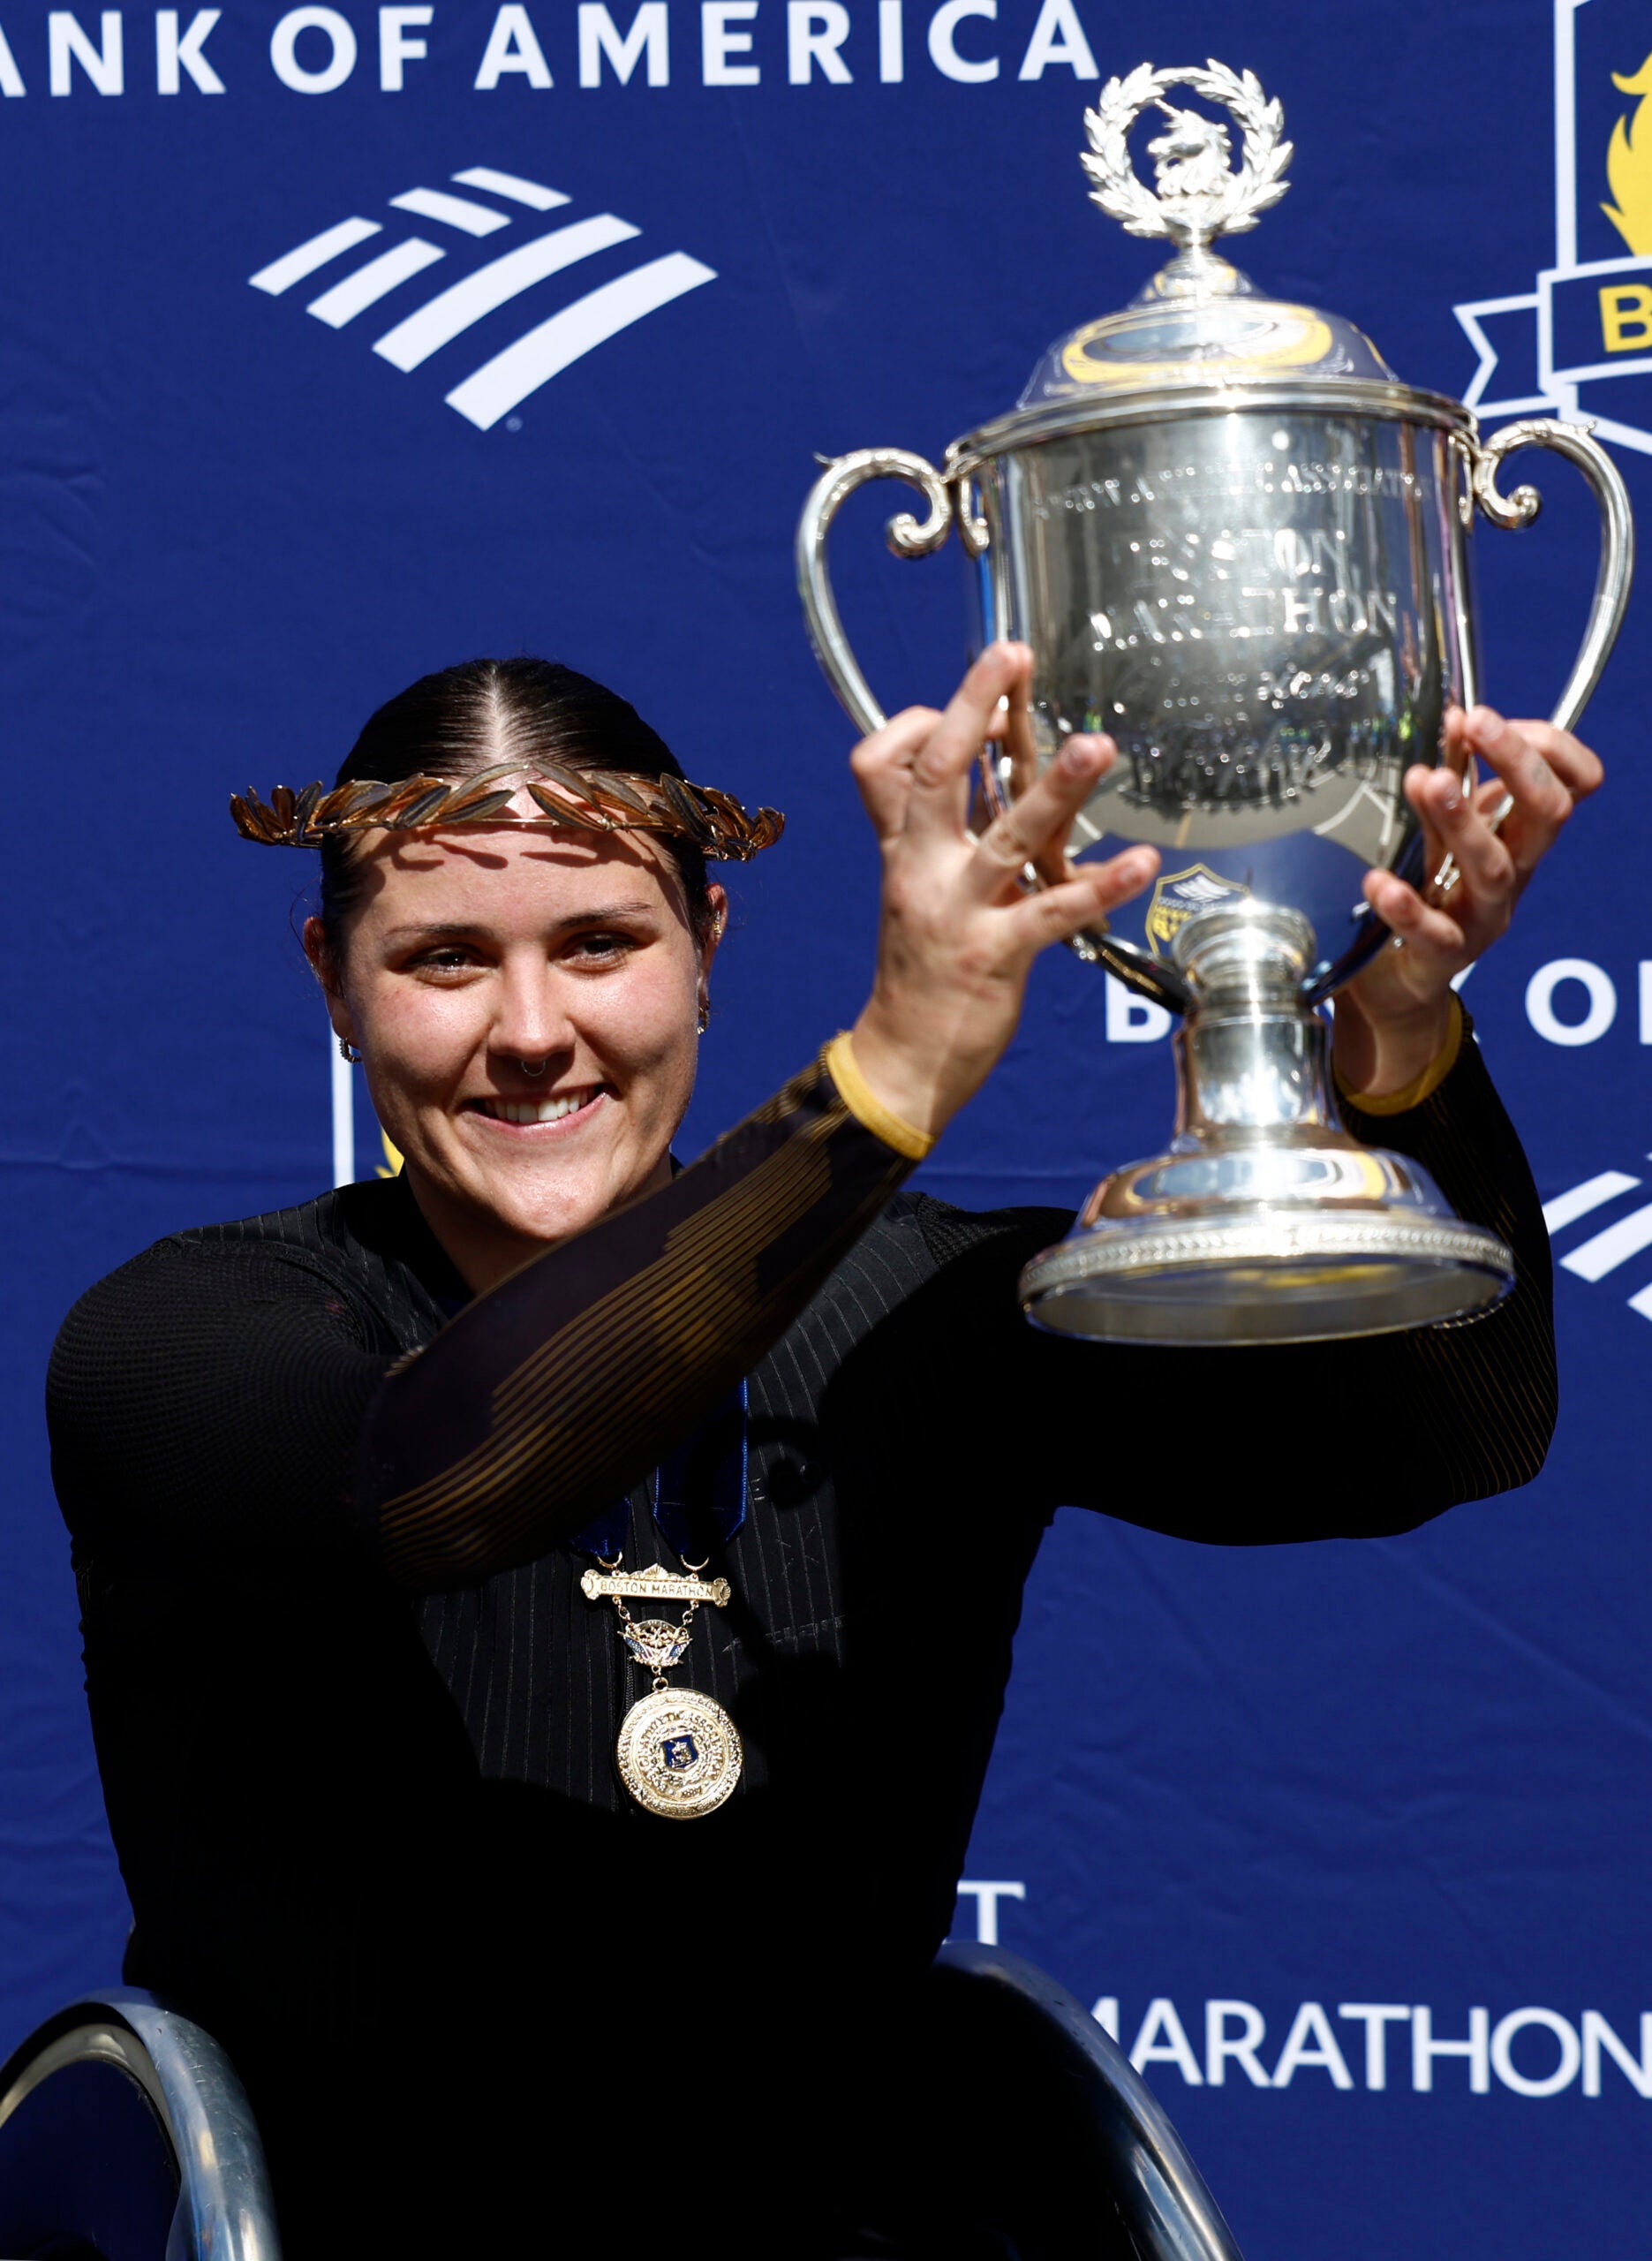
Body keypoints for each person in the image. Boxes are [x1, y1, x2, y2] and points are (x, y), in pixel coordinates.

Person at [47, 645, 1589, 2259]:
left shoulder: (929, 1311)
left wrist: (1397, 1039)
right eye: (443, 960)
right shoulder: (190, 1334)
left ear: (705, 945)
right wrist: (886, 1080)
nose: (531, 1030)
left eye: (600, 944)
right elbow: (441, 1478)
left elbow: (1449, 1422)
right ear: (331, 982)